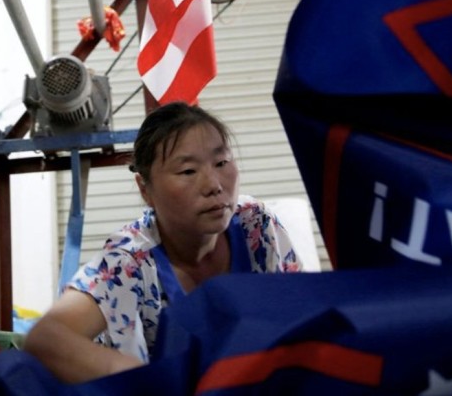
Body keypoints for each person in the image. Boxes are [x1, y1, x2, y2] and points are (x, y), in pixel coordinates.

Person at [23, 101, 303, 383]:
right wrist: (147, 382)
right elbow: (46, 338)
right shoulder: (128, 262)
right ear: (145, 189)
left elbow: (298, 318)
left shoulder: (256, 226)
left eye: (221, 163)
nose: (214, 185)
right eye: (188, 171)